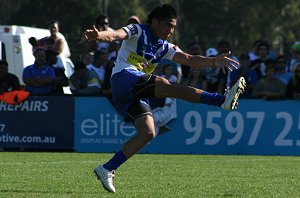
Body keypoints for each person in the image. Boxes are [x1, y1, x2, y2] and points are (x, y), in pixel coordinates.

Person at [82, 4, 245, 193]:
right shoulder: (137, 30)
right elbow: (116, 35)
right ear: (154, 22)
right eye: (168, 25)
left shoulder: (164, 46)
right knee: (168, 86)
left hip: (133, 92)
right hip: (123, 79)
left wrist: (214, 61)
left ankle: (107, 168)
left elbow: (190, 60)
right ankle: (221, 100)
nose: (171, 30)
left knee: (148, 132)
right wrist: (99, 36)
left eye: (174, 27)